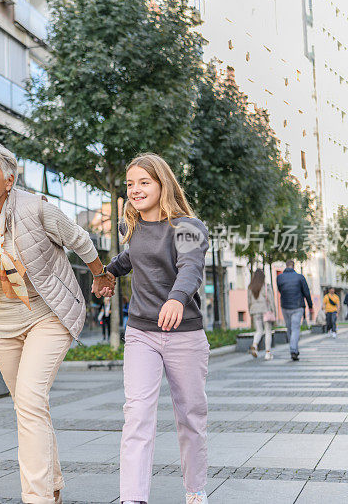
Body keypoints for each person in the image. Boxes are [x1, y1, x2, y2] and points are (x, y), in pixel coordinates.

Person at [0, 139, 108, 504]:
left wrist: (101, 275)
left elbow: (80, 239)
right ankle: (51, 485)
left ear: (9, 179)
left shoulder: (36, 209)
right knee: (28, 404)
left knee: (30, 397)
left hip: (46, 315)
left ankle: (35, 497)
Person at [93, 153, 210, 504]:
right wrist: (109, 272)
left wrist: (177, 298)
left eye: (144, 182)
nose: (135, 190)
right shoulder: (133, 228)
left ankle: (195, 490)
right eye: (130, 184)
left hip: (185, 333)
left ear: (163, 184)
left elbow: (190, 266)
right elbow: (132, 257)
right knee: (137, 414)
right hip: (142, 332)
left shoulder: (189, 226)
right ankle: (133, 498)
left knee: (190, 415)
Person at [276, 260, 314, 361]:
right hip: (297, 306)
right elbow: (306, 292)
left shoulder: (279, 277)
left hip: (285, 306)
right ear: (294, 266)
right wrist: (310, 306)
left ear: (286, 266)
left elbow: (280, 290)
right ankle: (293, 349)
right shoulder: (300, 277)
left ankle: (293, 348)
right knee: (295, 328)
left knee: (290, 329)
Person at [247, 269, 274, 360]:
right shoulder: (266, 286)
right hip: (265, 310)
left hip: (255, 311)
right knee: (267, 331)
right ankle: (267, 353)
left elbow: (249, 301)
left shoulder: (250, 287)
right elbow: (271, 300)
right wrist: (274, 311)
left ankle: (254, 345)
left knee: (258, 330)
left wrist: (250, 311)